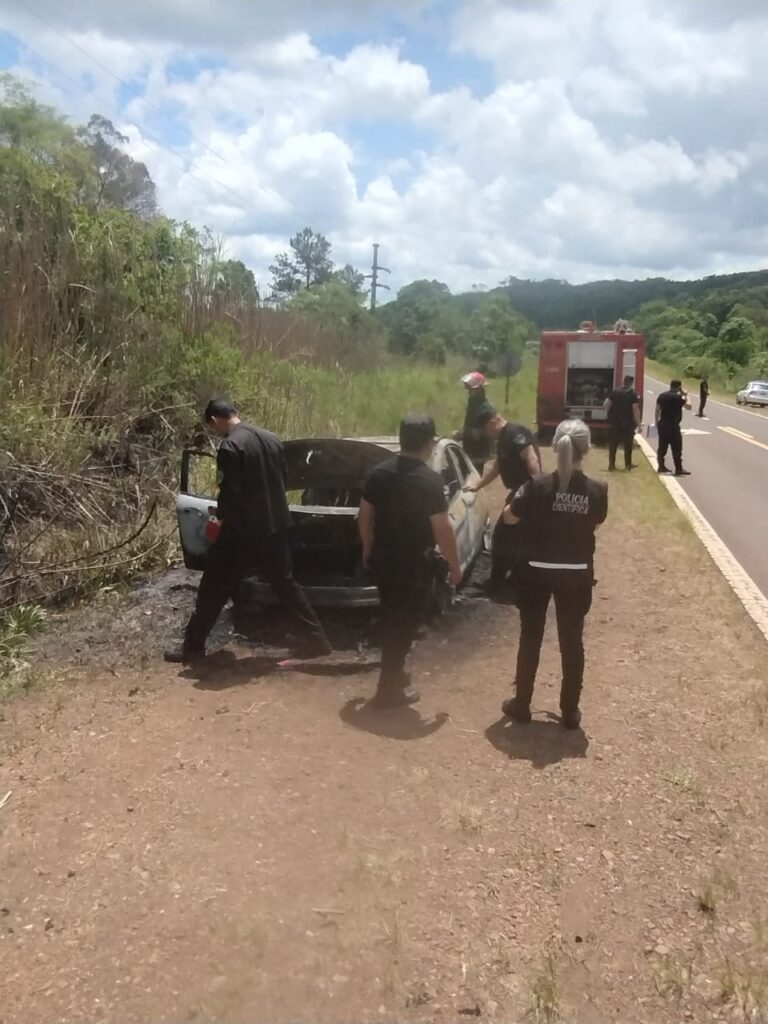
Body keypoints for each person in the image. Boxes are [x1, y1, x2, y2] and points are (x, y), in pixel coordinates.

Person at [165, 400, 332, 664]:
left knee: (213, 587)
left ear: (215, 420)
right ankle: (317, 640)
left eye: (212, 427)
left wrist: (220, 519)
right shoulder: (271, 438)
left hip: (242, 532)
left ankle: (192, 649)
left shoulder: (230, 447)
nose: (215, 432)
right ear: (235, 413)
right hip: (276, 525)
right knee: (285, 584)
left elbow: (231, 494)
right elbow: (283, 478)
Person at [500, 419, 607, 729]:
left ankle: (522, 704)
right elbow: (596, 523)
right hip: (576, 574)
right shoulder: (597, 490)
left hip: (534, 572)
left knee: (530, 637)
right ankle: (570, 711)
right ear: (586, 450)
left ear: (555, 446)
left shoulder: (535, 487)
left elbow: (509, 518)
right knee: (572, 641)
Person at [358, 414, 462, 708]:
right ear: (428, 444)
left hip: (384, 560)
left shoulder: (379, 473)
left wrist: (368, 547)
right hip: (414, 566)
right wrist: (454, 565)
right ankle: (387, 691)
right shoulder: (430, 480)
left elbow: (364, 515)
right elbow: (443, 529)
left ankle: (395, 674)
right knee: (405, 625)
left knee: (392, 617)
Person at [464, 408, 541, 598]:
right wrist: (478, 485)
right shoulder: (503, 439)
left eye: (485, 430)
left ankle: (500, 584)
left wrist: (537, 489)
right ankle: (503, 581)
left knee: (502, 537)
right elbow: (496, 468)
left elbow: (531, 459)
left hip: (525, 492)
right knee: (510, 538)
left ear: (493, 423)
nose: (486, 435)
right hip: (519, 492)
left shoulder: (516, 434)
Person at [454, 372, 494, 474]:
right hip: (470, 449)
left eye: (471, 390)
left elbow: (487, 433)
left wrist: (464, 434)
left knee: (473, 478)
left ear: (479, 389)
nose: (469, 392)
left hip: (478, 452)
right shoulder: (473, 404)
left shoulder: (485, 409)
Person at [604, 375, 641, 471]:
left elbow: (606, 404)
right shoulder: (633, 394)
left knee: (613, 444)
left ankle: (611, 465)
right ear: (631, 383)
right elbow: (635, 410)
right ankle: (628, 465)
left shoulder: (615, 392)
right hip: (627, 423)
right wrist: (639, 425)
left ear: (623, 381)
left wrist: (609, 414)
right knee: (628, 445)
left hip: (615, 422)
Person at [656, 379, 691, 476]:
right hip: (673, 425)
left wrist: (656, 421)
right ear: (679, 387)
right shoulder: (679, 397)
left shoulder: (662, 396)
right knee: (677, 448)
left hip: (663, 424)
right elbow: (689, 406)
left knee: (662, 447)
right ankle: (678, 469)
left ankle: (661, 466)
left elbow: (657, 409)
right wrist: (686, 395)